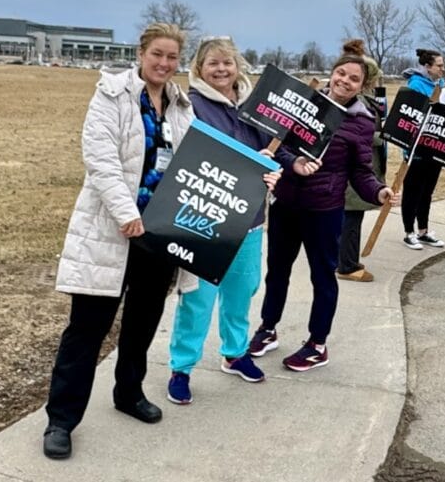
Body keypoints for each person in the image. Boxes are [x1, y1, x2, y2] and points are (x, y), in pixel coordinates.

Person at [42, 23, 193, 460]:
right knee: (87, 329)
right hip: (113, 230)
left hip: (159, 236)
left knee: (142, 323)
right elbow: (101, 159)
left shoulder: (182, 107)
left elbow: (198, 165)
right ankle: (62, 420)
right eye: (157, 55)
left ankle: (128, 392)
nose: (164, 64)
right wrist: (127, 214)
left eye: (171, 57)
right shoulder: (111, 94)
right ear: (141, 53)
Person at [248, 52, 399, 371]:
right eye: (340, 73)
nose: (344, 80)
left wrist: (379, 190)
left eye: (353, 78)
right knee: (277, 270)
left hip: (325, 210)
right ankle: (268, 328)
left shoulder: (361, 121)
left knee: (323, 277)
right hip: (286, 202)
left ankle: (317, 344)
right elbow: (281, 147)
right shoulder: (306, 103)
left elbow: (360, 170)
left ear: (363, 85)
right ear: (332, 73)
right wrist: (294, 165)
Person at [166, 37, 281, 405]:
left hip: (251, 219)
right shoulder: (190, 105)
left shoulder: (257, 106)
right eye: (212, 63)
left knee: (241, 290)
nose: (221, 69)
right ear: (199, 68)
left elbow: (274, 151)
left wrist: (275, 169)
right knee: (199, 297)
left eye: (227, 63)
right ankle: (181, 368)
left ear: (238, 66)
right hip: (206, 218)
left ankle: (235, 353)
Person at [337, 39, 385, 283]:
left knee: (349, 220)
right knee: (352, 221)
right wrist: (384, 135)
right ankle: (347, 265)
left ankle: (344, 259)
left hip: (356, 171)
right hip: (355, 173)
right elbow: (359, 136)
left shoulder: (366, 101)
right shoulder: (361, 104)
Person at [400, 47, 445, 250]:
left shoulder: (442, 85)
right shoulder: (416, 85)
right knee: (413, 190)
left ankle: (424, 230)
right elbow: (412, 113)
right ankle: (409, 231)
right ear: (427, 66)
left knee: (427, 191)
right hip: (417, 149)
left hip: (436, 146)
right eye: (439, 65)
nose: (443, 69)